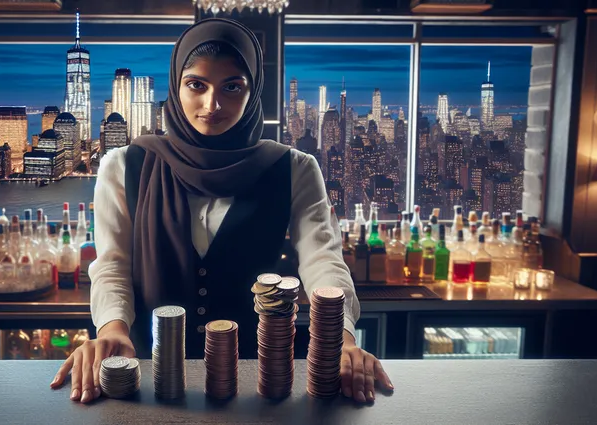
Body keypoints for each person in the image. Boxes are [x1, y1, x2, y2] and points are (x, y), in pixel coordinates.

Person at [50, 18, 392, 404]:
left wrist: (341, 340)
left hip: (258, 386)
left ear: (253, 92)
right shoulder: (125, 166)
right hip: (150, 381)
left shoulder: (293, 168)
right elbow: (112, 265)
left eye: (232, 87)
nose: (211, 104)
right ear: (176, 86)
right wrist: (112, 330)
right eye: (196, 84)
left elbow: (324, 261)